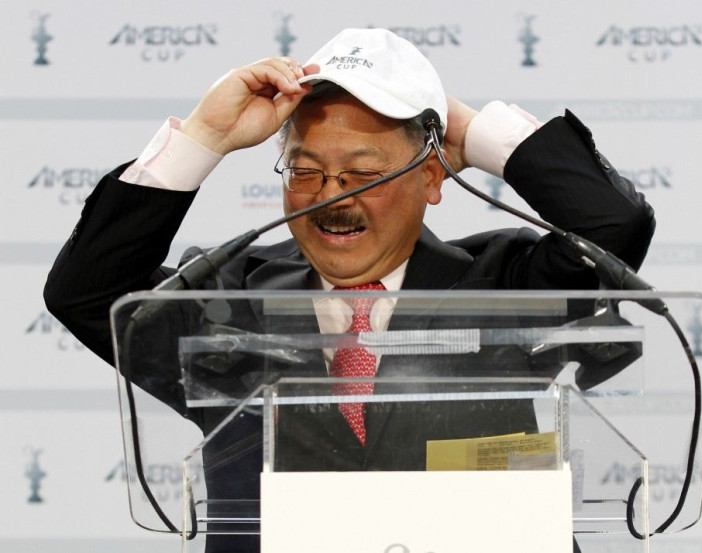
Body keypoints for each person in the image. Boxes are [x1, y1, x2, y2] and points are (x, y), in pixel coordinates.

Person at [44, 28, 654, 553]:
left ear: (432, 177)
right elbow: (88, 294)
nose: (333, 197)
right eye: (307, 172)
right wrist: (203, 137)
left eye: (365, 173)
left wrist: (474, 129)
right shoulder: (230, 297)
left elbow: (611, 225)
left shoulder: (503, 279)